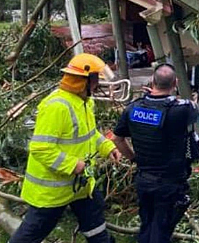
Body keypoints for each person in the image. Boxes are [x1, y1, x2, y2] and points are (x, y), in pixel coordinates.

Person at [11, 53, 122, 243]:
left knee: (97, 229)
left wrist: (107, 147)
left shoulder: (85, 102)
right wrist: (72, 165)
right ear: (83, 81)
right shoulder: (56, 107)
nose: (97, 85)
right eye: (95, 80)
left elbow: (90, 134)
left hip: (81, 186)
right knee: (29, 236)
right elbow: (41, 148)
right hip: (52, 191)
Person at [112, 63, 199, 243]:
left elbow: (117, 139)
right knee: (161, 230)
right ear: (175, 83)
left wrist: (133, 158)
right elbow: (194, 107)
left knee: (147, 224)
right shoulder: (181, 110)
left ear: (152, 81)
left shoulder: (132, 109)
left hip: (143, 179)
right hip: (169, 183)